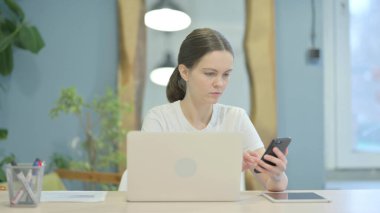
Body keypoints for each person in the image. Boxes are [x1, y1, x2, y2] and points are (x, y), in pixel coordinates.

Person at [142, 28, 288, 192]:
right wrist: (223, 172)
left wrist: (277, 176)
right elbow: (150, 184)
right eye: (210, 74)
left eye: (226, 74)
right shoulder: (159, 119)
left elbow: (272, 184)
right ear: (184, 72)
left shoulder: (236, 118)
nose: (220, 83)